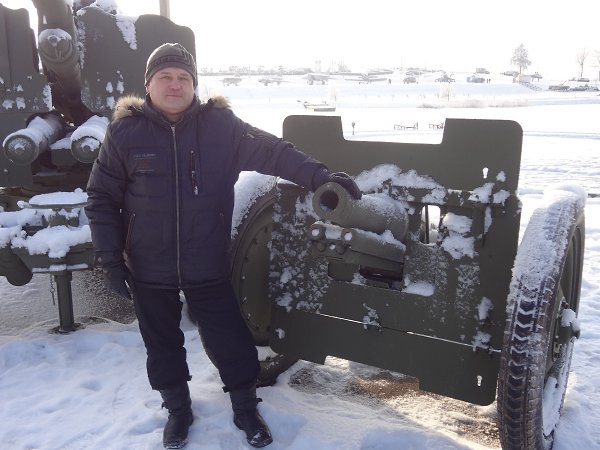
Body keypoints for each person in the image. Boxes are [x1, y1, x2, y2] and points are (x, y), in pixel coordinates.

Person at [85, 43, 361, 449]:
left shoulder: (220, 126)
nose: (175, 85)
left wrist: (321, 177)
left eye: (184, 78)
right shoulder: (125, 133)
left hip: (207, 262)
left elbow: (273, 151)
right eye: (166, 77)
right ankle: (178, 410)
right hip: (149, 266)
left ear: (194, 84)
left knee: (231, 341)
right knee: (161, 345)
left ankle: (246, 407)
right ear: (148, 85)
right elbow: (102, 198)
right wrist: (110, 258)